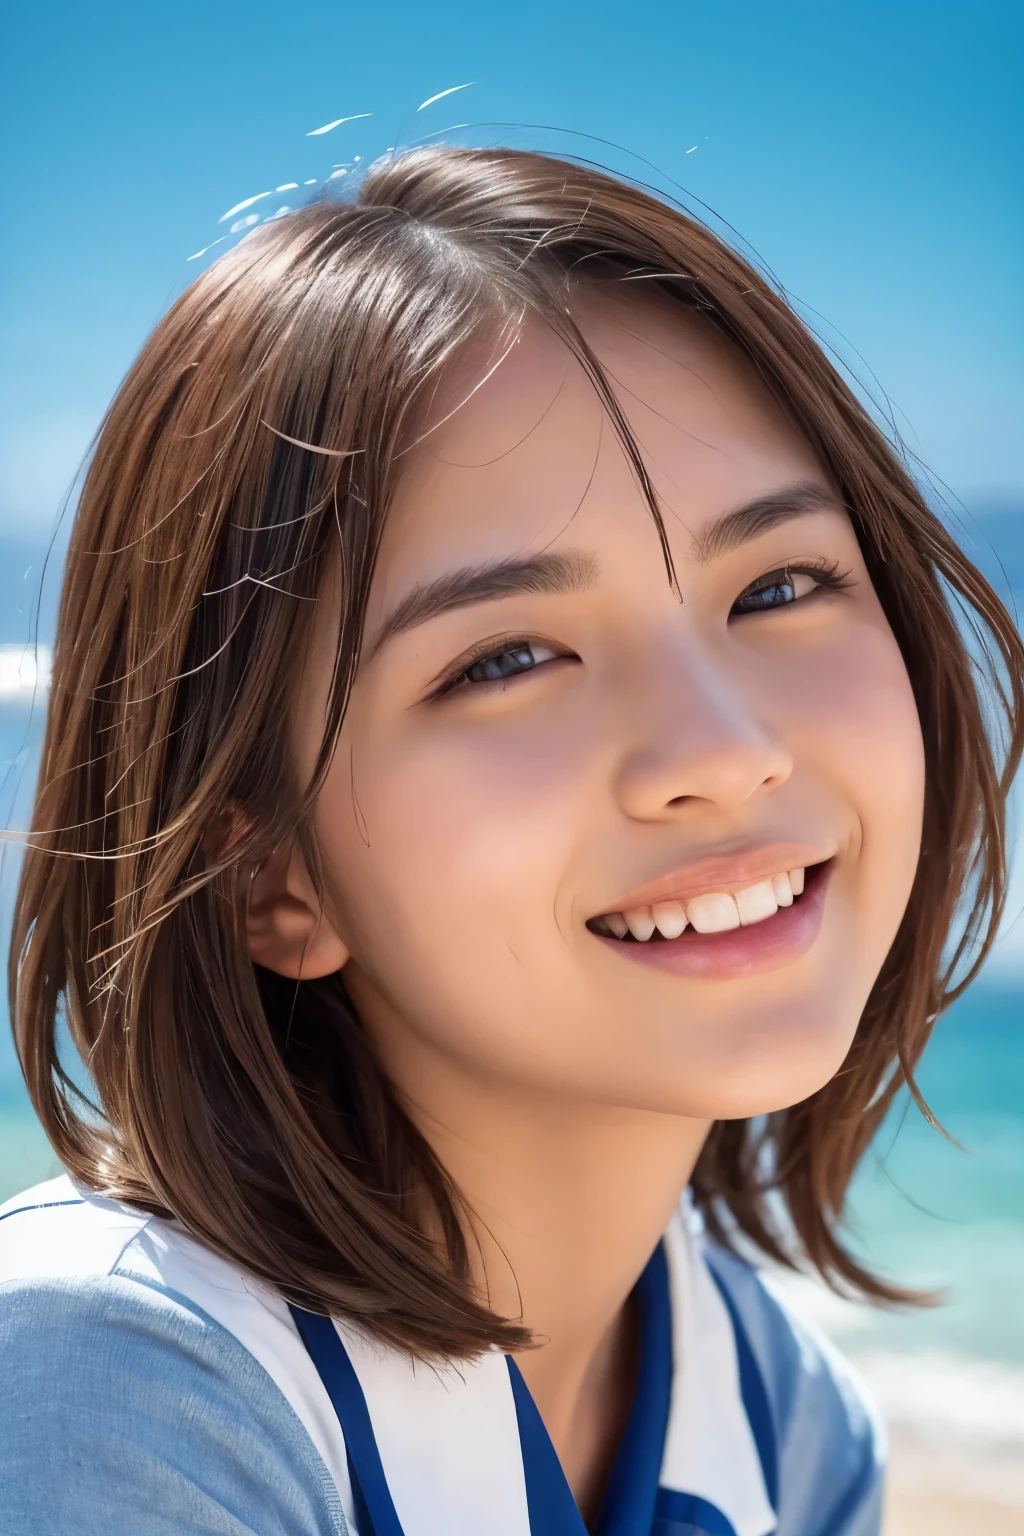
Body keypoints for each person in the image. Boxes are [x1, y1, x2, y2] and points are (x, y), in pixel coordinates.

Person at [1, 145, 1020, 1536]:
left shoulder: (780, 1420)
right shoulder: (109, 1397)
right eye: (507, 659)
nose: (723, 750)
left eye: (780, 584)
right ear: (263, 873)